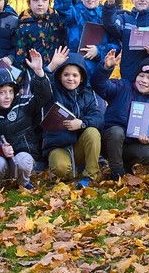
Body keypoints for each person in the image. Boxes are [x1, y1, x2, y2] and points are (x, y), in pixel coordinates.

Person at [0, 50, 52, 190]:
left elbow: (44, 96)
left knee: (24, 160)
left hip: (23, 153)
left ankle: (23, 182)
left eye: (10, 91)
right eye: (2, 93)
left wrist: (39, 72)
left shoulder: (23, 104)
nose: (7, 97)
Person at [92, 51, 149, 181]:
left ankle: (127, 166)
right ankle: (117, 173)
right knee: (117, 132)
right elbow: (98, 85)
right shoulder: (122, 87)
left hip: (132, 145)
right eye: (141, 76)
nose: (144, 81)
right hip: (110, 141)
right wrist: (105, 68)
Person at [42, 49, 105, 187]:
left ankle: (91, 176)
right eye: (66, 75)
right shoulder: (52, 91)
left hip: (79, 145)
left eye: (75, 75)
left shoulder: (87, 95)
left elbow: (99, 118)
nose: (71, 78)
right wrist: (51, 67)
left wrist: (82, 123)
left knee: (92, 132)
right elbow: (40, 87)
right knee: (61, 169)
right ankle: (74, 173)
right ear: (59, 76)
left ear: (81, 78)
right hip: (58, 145)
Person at [50, 0, 116, 78]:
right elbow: (64, 7)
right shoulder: (75, 14)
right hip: (74, 72)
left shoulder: (106, 16)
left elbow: (116, 44)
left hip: (98, 73)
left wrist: (99, 50)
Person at [9, 0, 66, 68]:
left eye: (44, 0)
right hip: (35, 73)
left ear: (49, 2)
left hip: (57, 70)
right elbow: (20, 56)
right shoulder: (23, 26)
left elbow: (68, 9)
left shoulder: (57, 20)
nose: (40, 3)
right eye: (36, 0)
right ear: (29, 2)